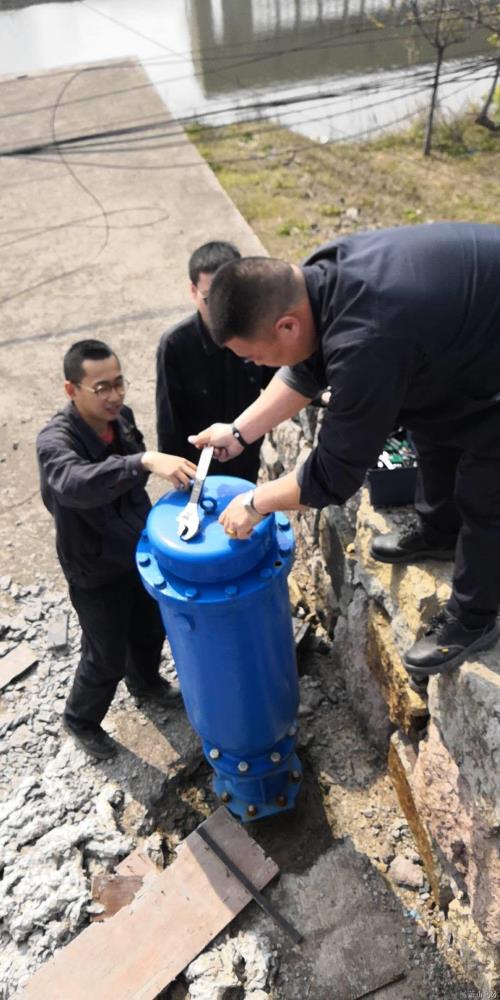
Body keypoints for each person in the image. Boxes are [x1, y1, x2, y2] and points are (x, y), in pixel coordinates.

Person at [188, 222, 500, 687]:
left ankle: (474, 617)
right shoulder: (316, 278)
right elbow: (306, 370)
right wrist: (238, 432)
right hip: (463, 332)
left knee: (486, 488)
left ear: (286, 325)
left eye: (253, 357)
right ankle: (440, 530)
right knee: (431, 417)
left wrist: (255, 502)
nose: (253, 366)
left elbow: (331, 476)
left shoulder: (367, 341)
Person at [37, 339, 197, 760]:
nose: (115, 396)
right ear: (71, 390)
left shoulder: (120, 419)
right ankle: (81, 719)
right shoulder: (55, 441)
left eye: (119, 383)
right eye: (102, 388)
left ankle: (145, 684)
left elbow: (130, 481)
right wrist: (141, 462)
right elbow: (76, 484)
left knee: (150, 626)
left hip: (136, 546)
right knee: (104, 654)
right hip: (93, 564)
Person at [156, 240, 273, 483]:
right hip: (198, 473)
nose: (222, 308)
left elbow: (283, 379)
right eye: (210, 298)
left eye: (229, 295)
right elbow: (169, 423)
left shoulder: (256, 331)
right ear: (193, 291)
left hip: (246, 461)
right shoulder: (176, 345)